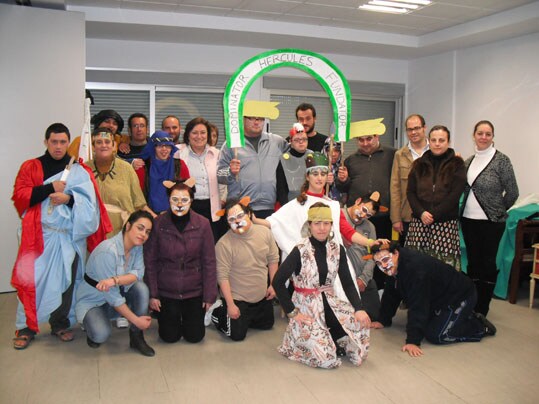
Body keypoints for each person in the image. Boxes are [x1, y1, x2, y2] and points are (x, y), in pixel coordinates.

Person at [11, 123, 102, 349]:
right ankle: (27, 327)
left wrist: (69, 199)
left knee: (66, 282)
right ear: (46, 142)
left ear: (68, 143)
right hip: (39, 236)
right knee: (32, 279)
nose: (59, 146)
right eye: (54, 142)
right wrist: (50, 187)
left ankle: (60, 323)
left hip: (69, 238)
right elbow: (20, 196)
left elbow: (91, 208)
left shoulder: (80, 171)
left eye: (63, 142)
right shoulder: (32, 166)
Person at [256, 152, 383, 300]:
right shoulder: (297, 204)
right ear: (308, 176)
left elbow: (347, 232)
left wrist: (370, 242)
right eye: (315, 173)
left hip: (332, 261)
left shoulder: (333, 205)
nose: (319, 177)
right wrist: (252, 219)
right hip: (307, 266)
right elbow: (273, 223)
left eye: (323, 174)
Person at [272, 202, 370, 368]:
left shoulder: (337, 249)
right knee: (326, 359)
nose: (322, 228)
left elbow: (347, 282)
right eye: (317, 223)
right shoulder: (300, 249)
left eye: (326, 223)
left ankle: (333, 335)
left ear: (331, 225)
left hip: (330, 302)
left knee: (360, 325)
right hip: (307, 307)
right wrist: (292, 313)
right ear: (309, 225)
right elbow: (277, 281)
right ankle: (324, 339)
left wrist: (359, 308)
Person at [371, 243, 496, 357]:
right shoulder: (396, 266)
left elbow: (418, 304)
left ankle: (479, 326)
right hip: (438, 298)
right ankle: (457, 317)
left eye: (386, 260)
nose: (383, 265)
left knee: (437, 336)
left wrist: (413, 341)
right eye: (378, 263)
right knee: (426, 327)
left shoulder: (415, 269)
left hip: (460, 296)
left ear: (396, 253)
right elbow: (392, 292)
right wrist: (383, 320)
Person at [144, 180, 217, 343]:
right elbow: (150, 261)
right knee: (169, 337)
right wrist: (153, 295)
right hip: (167, 290)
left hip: (194, 290)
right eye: (174, 199)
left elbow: (209, 262)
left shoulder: (203, 224)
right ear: (168, 200)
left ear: (191, 201)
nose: (179, 204)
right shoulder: (158, 223)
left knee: (195, 336)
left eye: (184, 200)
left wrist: (209, 295)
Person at [75, 211, 156, 356]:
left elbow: (138, 273)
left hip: (115, 296)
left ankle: (137, 337)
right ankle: (89, 324)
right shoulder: (107, 251)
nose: (143, 234)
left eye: (147, 232)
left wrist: (115, 280)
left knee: (141, 288)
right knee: (100, 335)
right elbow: (113, 297)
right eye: (140, 228)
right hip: (94, 301)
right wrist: (136, 320)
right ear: (128, 226)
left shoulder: (137, 247)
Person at [461, 120, 519, 316]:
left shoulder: (501, 160)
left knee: (487, 264)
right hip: (468, 220)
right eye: (480, 133)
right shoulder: (469, 161)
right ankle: (472, 303)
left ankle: (482, 308)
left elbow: (512, 192)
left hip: (491, 223)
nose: (484, 137)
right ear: (474, 135)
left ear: (492, 136)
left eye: (488, 134)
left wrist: (498, 211)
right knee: (473, 263)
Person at [212, 198, 280, 341]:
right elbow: (222, 276)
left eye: (240, 216)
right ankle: (217, 311)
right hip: (237, 298)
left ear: (249, 214)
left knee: (267, 324)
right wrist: (230, 305)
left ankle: (245, 318)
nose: (237, 221)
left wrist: (273, 284)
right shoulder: (223, 244)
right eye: (231, 219)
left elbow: (273, 259)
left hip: (260, 296)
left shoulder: (265, 232)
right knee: (237, 335)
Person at [406, 125, 466, 269]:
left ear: (448, 142)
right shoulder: (418, 164)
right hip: (420, 223)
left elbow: (455, 195)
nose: (437, 144)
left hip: (445, 224)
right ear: (429, 141)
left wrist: (433, 214)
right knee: (417, 265)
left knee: (442, 268)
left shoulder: (457, 165)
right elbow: (410, 192)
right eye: (433, 140)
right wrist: (421, 213)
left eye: (441, 140)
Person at [217, 100, 288, 218]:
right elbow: (219, 173)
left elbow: (296, 155)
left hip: (270, 207)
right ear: (243, 119)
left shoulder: (276, 141)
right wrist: (230, 172)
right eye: (251, 118)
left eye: (260, 119)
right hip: (240, 208)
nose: (256, 122)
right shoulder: (231, 144)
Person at [88, 127, 155, 238]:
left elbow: (139, 204)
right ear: (93, 146)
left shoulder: (126, 169)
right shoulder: (84, 170)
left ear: (114, 145)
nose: (103, 145)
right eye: (99, 142)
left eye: (107, 142)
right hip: (92, 232)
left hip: (122, 233)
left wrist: (159, 220)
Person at [336, 131, 395, 242]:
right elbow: (343, 189)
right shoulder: (350, 160)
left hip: (384, 216)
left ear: (377, 136)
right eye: (361, 140)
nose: (365, 143)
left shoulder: (392, 155)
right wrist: (343, 181)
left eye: (369, 139)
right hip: (358, 218)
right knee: (358, 250)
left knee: (382, 249)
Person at [175, 117, 225, 241]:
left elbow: (224, 180)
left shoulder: (217, 154)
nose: (199, 136)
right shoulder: (178, 152)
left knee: (211, 244)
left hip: (212, 207)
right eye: (194, 133)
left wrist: (223, 199)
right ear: (188, 135)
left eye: (203, 133)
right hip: (189, 205)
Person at [342, 193, 382, 320]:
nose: (363, 216)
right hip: (338, 277)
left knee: (374, 316)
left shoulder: (370, 227)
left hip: (360, 277)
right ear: (357, 200)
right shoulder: (338, 214)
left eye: (369, 215)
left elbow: (372, 255)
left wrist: (364, 278)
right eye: (364, 210)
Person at [390, 114, 429, 244]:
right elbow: (395, 188)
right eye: (409, 129)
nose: (413, 132)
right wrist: (395, 218)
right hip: (408, 216)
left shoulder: (436, 151)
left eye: (417, 128)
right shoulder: (400, 155)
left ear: (424, 128)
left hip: (432, 215)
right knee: (410, 257)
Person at [139, 131, 190, 214]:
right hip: (148, 215)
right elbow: (138, 197)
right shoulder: (143, 166)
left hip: (175, 214)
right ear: (153, 147)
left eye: (167, 146)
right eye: (159, 146)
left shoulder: (180, 165)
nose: (164, 149)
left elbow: (187, 192)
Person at [276, 122, 312, 206]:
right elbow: (281, 188)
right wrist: (286, 207)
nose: (301, 142)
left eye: (304, 139)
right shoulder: (284, 159)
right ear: (291, 142)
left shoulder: (312, 156)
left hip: (311, 202)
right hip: (290, 203)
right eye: (297, 140)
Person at [117, 113, 150, 189]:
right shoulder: (122, 152)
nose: (139, 129)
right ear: (129, 130)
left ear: (147, 129)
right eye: (135, 126)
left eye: (142, 126)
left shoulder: (155, 149)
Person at [322, 137, 346, 205]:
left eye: (337, 150)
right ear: (325, 150)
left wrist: (345, 180)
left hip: (340, 206)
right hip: (323, 205)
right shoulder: (319, 168)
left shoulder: (344, 167)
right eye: (330, 150)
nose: (333, 154)